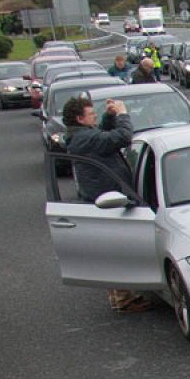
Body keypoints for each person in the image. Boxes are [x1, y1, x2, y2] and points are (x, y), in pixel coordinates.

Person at [62, 96, 151, 312]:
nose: (94, 116)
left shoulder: (81, 136)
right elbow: (123, 137)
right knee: (118, 249)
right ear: (79, 119)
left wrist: (109, 117)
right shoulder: (84, 138)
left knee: (112, 248)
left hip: (101, 196)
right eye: (91, 114)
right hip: (107, 199)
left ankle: (119, 296)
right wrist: (122, 114)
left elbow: (101, 134)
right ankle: (123, 299)